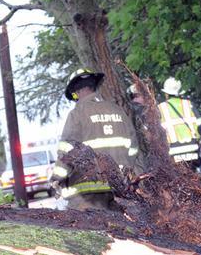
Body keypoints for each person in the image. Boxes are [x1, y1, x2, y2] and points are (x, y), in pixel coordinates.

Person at [52, 68, 140, 208]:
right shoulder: (117, 110)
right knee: (121, 227)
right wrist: (124, 169)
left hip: (86, 191)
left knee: (88, 227)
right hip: (118, 187)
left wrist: (57, 178)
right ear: (94, 87)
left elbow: (68, 151)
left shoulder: (77, 113)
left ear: (76, 92)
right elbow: (133, 146)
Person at [158, 78, 201, 170]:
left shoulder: (160, 108)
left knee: (180, 180)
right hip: (192, 150)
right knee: (193, 177)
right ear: (179, 92)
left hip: (174, 152)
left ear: (166, 94)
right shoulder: (188, 104)